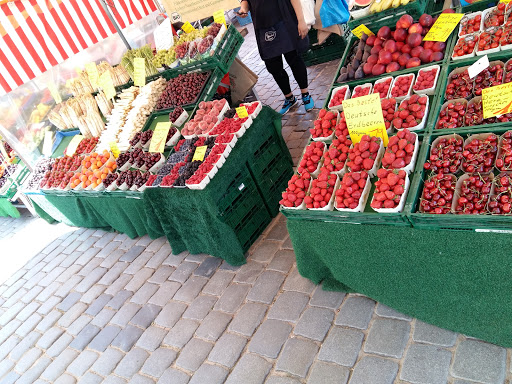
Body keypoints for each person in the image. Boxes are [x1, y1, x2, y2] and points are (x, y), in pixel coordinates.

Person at [237, 0, 315, 114]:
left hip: (285, 21)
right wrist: (243, 9)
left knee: (294, 59)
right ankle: (289, 98)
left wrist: (301, 20)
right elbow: (246, 1)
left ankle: (305, 94)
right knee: (273, 66)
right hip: (262, 27)